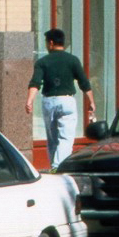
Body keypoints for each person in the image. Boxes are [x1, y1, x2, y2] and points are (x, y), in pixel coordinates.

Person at [26, 28, 96, 169]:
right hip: (67, 101)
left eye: (46, 42)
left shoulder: (42, 62)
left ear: (51, 43)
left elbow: (35, 83)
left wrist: (30, 101)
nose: (46, 45)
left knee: (52, 139)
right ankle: (58, 167)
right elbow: (84, 83)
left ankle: (54, 166)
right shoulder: (73, 60)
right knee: (66, 138)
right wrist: (91, 102)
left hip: (49, 101)